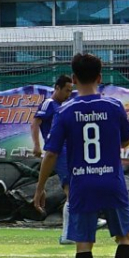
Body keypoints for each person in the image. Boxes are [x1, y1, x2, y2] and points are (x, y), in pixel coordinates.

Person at [33, 53, 129, 258]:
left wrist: (40, 187)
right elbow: (125, 142)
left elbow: (52, 154)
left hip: (81, 182)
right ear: (100, 77)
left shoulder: (66, 111)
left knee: (84, 244)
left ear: (75, 79)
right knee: (124, 237)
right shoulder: (114, 107)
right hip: (112, 181)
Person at [31, 75, 77, 244]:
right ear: (56, 88)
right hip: (58, 152)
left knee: (76, 188)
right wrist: (36, 145)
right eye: (66, 90)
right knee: (71, 190)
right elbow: (35, 122)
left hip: (68, 151)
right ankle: (68, 234)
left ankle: (77, 227)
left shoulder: (62, 107)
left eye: (71, 91)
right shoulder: (49, 103)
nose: (69, 94)